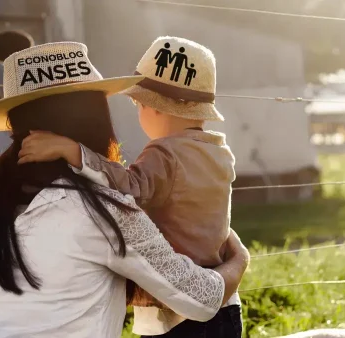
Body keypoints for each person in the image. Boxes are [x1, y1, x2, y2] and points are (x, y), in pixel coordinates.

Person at [0, 41, 249, 338]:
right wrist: (239, 260)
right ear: (95, 118)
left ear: (14, 120)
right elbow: (203, 299)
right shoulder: (104, 210)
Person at [18, 36, 242, 338]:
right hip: (226, 305)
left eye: (139, 103)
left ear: (156, 109)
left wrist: (74, 152)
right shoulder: (220, 152)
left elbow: (131, 189)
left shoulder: (164, 153)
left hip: (176, 312)